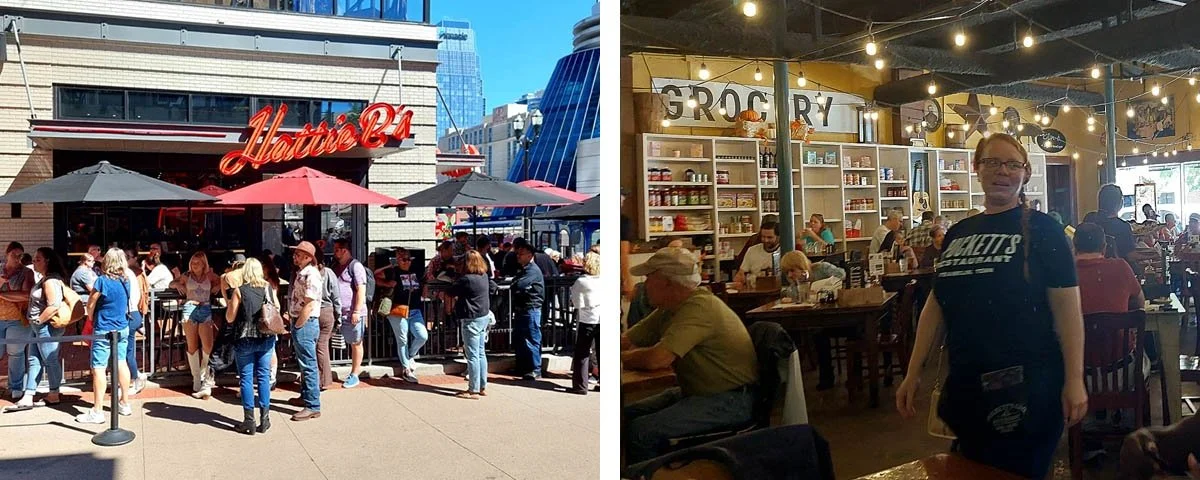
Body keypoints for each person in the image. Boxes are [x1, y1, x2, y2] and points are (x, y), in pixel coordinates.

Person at [895, 133, 1085, 478]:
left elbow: (1068, 312)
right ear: (976, 168)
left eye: (1013, 164)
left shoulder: (1045, 231)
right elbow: (936, 306)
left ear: (1025, 174)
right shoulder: (957, 234)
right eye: (992, 162)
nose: (1003, 171)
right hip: (967, 388)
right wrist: (913, 372)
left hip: (1029, 390)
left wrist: (1074, 379)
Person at [621, 247, 759, 465]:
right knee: (625, 415)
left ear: (668, 282)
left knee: (641, 431)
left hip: (729, 399)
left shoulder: (699, 307)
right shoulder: (671, 306)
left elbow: (658, 359)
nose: (644, 284)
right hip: (701, 392)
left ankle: (649, 473)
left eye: (649, 277)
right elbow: (628, 339)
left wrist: (623, 358)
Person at [1074, 223, 1146, 371]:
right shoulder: (1121, 267)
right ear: (1104, 247)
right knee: (1145, 357)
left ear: (1074, 247)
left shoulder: (1065, 273)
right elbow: (1140, 304)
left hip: (1079, 374)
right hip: (1122, 370)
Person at [76, 248, 134, 424]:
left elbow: (91, 303)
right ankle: (124, 402)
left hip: (103, 328)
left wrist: (91, 317)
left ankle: (98, 410)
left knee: (99, 368)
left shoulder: (102, 281)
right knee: (121, 362)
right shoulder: (126, 280)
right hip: (122, 326)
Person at [224, 258, 280, 435]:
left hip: (244, 338)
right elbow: (276, 307)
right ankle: (265, 419)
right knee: (263, 377)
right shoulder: (267, 288)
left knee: (246, 379)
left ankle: (249, 420)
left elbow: (230, 318)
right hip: (265, 337)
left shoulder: (240, 291)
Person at [18, 248, 69, 408]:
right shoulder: (45, 279)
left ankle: (54, 392)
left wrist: (39, 321)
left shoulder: (50, 281)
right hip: (38, 326)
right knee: (33, 359)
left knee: (50, 360)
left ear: (47, 261)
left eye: (38, 259)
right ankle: (29, 394)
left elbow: (53, 305)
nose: (34, 261)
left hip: (45, 327)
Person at [170, 251, 222, 399]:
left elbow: (221, 281)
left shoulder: (210, 275)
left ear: (204, 264)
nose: (194, 265)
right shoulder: (187, 275)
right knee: (192, 345)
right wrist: (177, 285)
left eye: (198, 262)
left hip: (205, 307)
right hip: (190, 307)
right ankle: (196, 377)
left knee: (207, 345)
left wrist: (217, 287)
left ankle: (204, 373)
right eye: (193, 262)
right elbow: (172, 283)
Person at [449, 251, 497, 399]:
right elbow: (494, 288)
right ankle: (482, 386)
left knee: (472, 356)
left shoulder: (466, 279)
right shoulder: (484, 276)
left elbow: (451, 291)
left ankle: (473, 389)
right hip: (483, 316)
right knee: (481, 353)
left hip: (471, 318)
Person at [284, 241, 322, 421]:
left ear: (308, 257)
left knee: (308, 364)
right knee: (304, 363)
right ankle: (306, 397)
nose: (295, 257)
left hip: (305, 323)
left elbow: (310, 302)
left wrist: (298, 324)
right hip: (301, 322)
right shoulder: (304, 273)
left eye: (298, 254)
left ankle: (313, 405)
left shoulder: (311, 275)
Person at [378, 247, 427, 384]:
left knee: (422, 335)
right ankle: (406, 368)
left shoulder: (415, 272)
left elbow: (423, 283)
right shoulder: (392, 272)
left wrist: (425, 286)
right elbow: (375, 275)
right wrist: (391, 266)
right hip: (397, 309)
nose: (406, 262)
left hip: (415, 309)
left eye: (408, 259)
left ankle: (410, 355)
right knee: (402, 339)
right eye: (403, 259)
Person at [331, 238, 369, 388]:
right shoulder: (335, 266)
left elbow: (361, 289)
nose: (334, 252)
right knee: (343, 341)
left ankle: (355, 374)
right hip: (339, 312)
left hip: (352, 312)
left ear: (344, 250)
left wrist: (357, 311)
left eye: (336, 250)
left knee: (356, 342)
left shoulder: (355, 266)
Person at [0, 241, 34, 400]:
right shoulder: (1, 269)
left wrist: (2, 294)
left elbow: (26, 295)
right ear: (7, 254)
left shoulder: (26, 272)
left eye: (20, 255)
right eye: (14, 254)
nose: (17, 258)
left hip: (17, 318)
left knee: (16, 353)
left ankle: (16, 386)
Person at [568, 252, 601, 395]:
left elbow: (576, 302)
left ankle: (581, 386)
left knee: (582, 354)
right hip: (603, 317)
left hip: (588, 319)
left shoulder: (582, 281)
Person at [512, 242, 546, 380]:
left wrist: (516, 285)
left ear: (530, 255)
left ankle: (535, 369)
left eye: (521, 254)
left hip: (531, 309)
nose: (518, 256)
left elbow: (518, 284)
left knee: (532, 339)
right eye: (517, 253)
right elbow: (516, 283)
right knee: (521, 339)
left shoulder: (532, 270)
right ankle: (524, 367)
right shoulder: (525, 269)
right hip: (523, 309)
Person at [312, 248, 339, 391]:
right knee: (322, 346)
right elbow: (336, 296)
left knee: (315, 346)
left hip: (314, 310)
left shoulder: (306, 273)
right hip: (328, 311)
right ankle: (324, 380)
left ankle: (317, 380)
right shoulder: (329, 273)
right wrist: (338, 316)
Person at [124, 248, 150, 395]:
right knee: (128, 350)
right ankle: (135, 376)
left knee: (125, 352)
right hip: (134, 314)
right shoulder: (132, 274)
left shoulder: (127, 274)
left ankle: (135, 376)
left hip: (129, 315)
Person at [734, 221, 782, 288]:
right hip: (754, 291)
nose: (765, 240)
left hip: (776, 291)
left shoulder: (784, 251)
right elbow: (741, 273)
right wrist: (739, 280)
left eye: (769, 237)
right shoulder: (752, 250)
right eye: (763, 237)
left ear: (778, 237)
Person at [1097, 184, 1137, 264]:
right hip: (1119, 270)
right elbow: (1131, 256)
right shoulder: (1123, 226)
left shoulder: (1090, 221)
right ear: (1120, 203)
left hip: (1093, 270)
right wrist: (1154, 255)